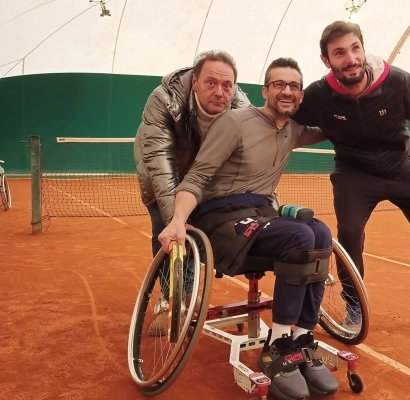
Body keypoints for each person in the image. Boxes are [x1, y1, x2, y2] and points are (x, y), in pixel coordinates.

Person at [158, 57, 337, 400]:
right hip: (220, 219)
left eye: (294, 86)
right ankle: (278, 346)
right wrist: (178, 220)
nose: (287, 91)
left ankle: (302, 338)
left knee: (321, 233)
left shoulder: (294, 129)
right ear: (265, 90)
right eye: (279, 84)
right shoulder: (234, 122)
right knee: (300, 235)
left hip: (261, 214)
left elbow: (339, 123)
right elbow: (197, 176)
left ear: (301, 95)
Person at [291, 21, 410, 342]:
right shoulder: (319, 95)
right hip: (353, 174)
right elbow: (285, 120)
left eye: (355, 48)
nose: (350, 58)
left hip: (402, 167)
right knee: (349, 234)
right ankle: (353, 305)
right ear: (326, 60)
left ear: (363, 48)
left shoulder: (398, 82)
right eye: (340, 53)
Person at [133, 51, 252, 336]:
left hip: (205, 172)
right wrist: (176, 217)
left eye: (227, 86)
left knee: (200, 228)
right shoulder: (163, 100)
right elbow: (160, 161)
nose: (219, 92)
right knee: (169, 229)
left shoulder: (243, 108)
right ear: (195, 82)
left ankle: (186, 294)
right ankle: (169, 302)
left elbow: (251, 160)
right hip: (159, 169)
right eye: (211, 83)